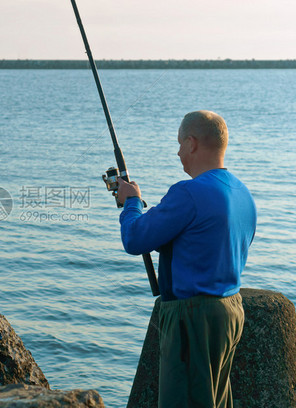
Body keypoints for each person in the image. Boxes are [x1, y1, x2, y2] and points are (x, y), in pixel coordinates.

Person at [117, 110, 257, 408]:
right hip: (230, 311)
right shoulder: (243, 194)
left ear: (192, 143)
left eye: (180, 144)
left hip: (193, 319)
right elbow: (202, 241)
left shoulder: (189, 193)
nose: (178, 152)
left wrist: (131, 203)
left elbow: (135, 239)